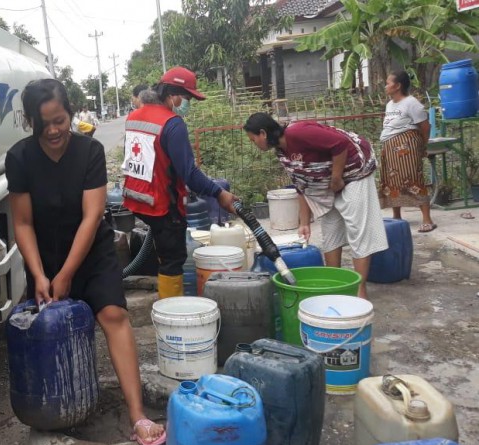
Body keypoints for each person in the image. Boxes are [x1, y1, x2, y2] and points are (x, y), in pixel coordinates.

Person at [5, 79, 166, 445]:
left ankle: (138, 414)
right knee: (50, 329)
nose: (54, 130)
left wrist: (66, 274)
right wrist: (40, 274)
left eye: (59, 120)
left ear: (71, 114)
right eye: (43, 124)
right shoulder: (20, 158)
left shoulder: (89, 151)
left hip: (91, 253)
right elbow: (23, 223)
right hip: (43, 258)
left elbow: (91, 217)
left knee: (113, 316)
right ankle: (59, 410)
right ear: (31, 122)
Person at [243, 112, 388, 299]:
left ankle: (360, 290)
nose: (254, 145)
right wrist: (304, 222)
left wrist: (336, 179)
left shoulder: (298, 133)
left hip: (355, 171)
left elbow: (340, 144)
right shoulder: (281, 151)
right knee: (330, 231)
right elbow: (301, 184)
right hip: (329, 180)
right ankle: (335, 286)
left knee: (356, 229)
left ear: (262, 133)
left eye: (253, 140)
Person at [121, 66, 237, 298]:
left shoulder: (134, 116)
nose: (187, 103)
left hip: (138, 198)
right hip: (164, 205)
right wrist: (219, 194)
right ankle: (171, 315)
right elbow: (190, 174)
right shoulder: (172, 123)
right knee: (173, 261)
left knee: (164, 255)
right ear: (172, 95)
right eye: (186, 98)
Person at [378, 71, 436, 232]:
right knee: (392, 182)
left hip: (407, 146)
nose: (385, 86)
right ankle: (397, 216)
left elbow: (425, 127)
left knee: (413, 179)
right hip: (389, 145)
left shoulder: (412, 103)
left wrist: (422, 146)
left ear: (398, 86)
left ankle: (427, 219)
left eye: (388, 83)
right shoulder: (390, 104)